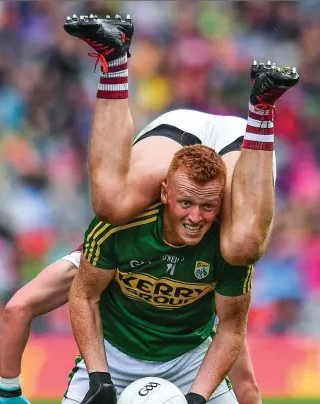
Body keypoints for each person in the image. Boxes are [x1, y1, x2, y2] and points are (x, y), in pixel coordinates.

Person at [0, 144, 262, 404]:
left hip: (190, 359)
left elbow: (232, 329)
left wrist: (197, 396)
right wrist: (99, 375)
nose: (196, 217)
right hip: (114, 355)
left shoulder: (231, 246)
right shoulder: (119, 227)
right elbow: (83, 297)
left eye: (208, 206)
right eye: (186, 203)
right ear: (165, 193)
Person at [62, 13, 299, 268]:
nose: (195, 218)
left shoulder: (102, 254)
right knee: (242, 248)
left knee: (110, 205)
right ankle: (262, 109)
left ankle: (114, 57)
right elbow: (19, 307)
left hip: (206, 132)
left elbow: (21, 307)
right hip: (221, 134)